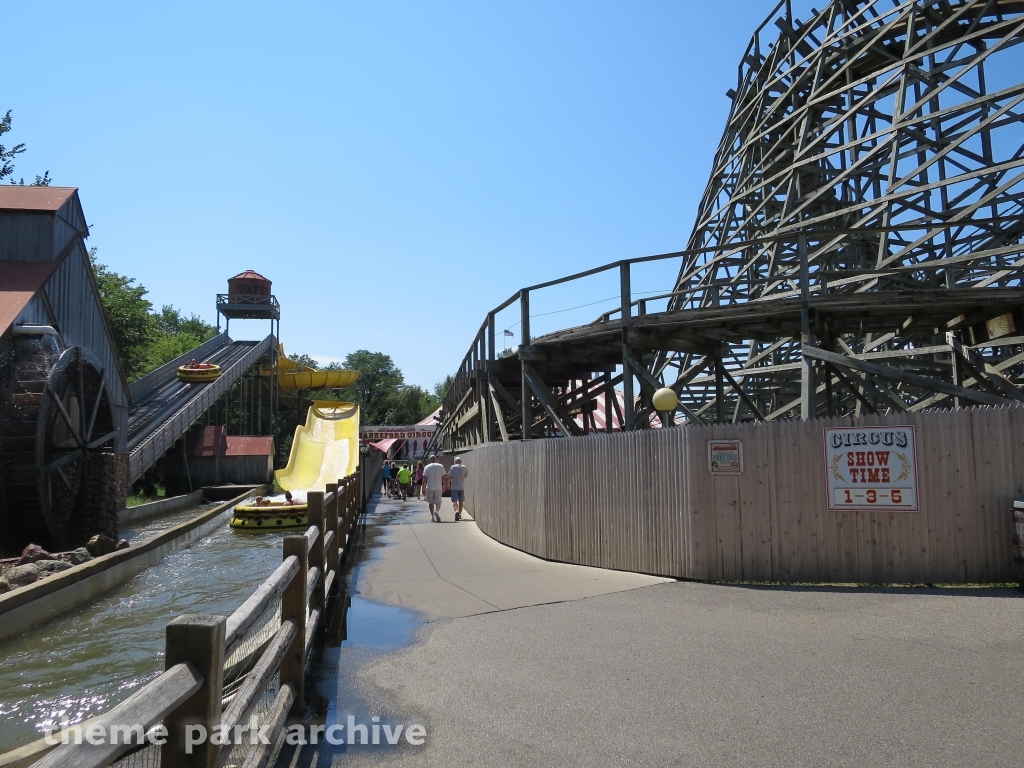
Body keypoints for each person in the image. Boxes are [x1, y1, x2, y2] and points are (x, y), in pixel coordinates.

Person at [422, 455, 446, 522]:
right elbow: (444, 476)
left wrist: (423, 488)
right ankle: (437, 511)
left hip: (430, 487)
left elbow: (424, 479)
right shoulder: (440, 466)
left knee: (430, 502)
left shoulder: (427, 467)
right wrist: (445, 485)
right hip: (438, 486)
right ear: (436, 459)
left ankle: (432, 516)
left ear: (430, 460)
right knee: (438, 501)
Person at [448, 457, 468, 521]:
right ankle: (459, 514)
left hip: (454, 487)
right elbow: (465, 476)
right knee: (461, 501)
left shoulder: (452, 467)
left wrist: (448, 484)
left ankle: (456, 511)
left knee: (454, 501)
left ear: (455, 462)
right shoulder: (464, 467)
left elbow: (450, 476)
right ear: (460, 462)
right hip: (461, 487)